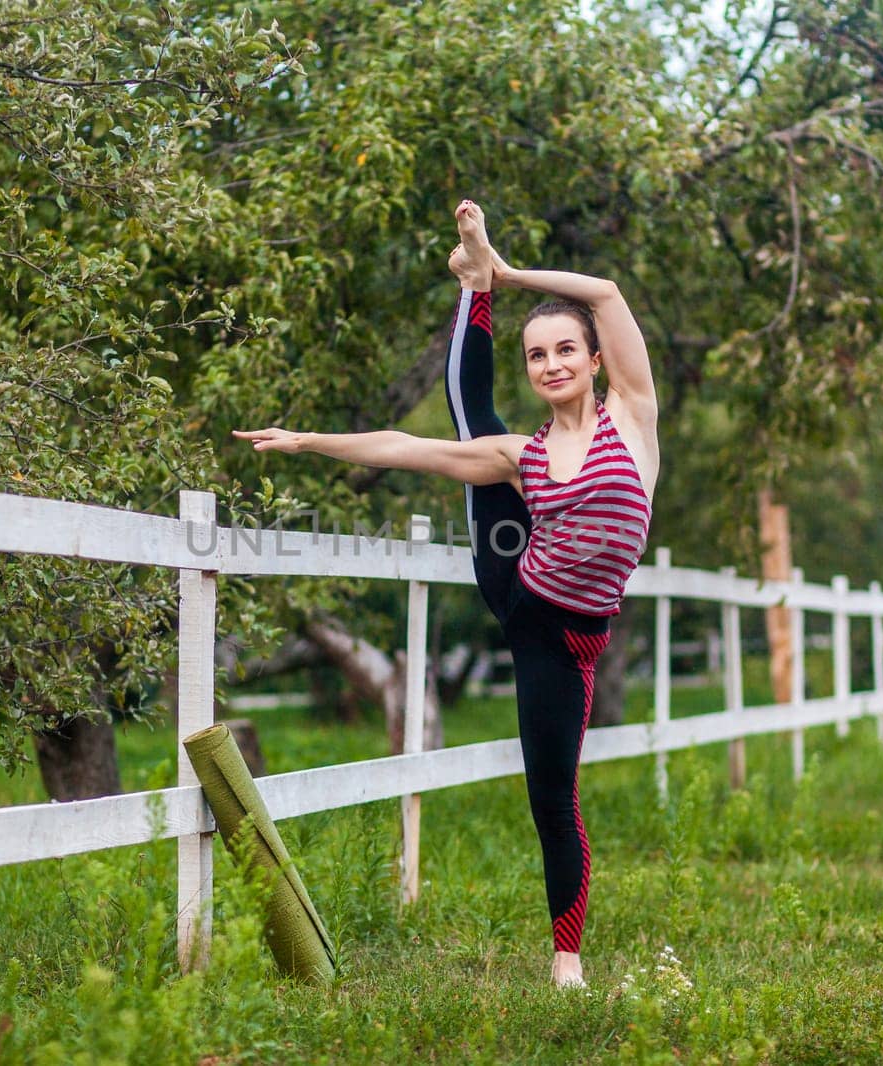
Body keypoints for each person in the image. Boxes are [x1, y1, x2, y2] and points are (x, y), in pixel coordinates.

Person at [235, 201, 659, 987]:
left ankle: (477, 282)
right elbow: (406, 448)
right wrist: (308, 441)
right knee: (471, 427)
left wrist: (501, 265)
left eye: (566, 350)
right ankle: (476, 286)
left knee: (553, 798)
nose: (552, 363)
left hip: (574, 643)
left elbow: (602, 290)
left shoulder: (632, 423)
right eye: (537, 355)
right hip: (520, 598)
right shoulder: (521, 455)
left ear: (595, 361)